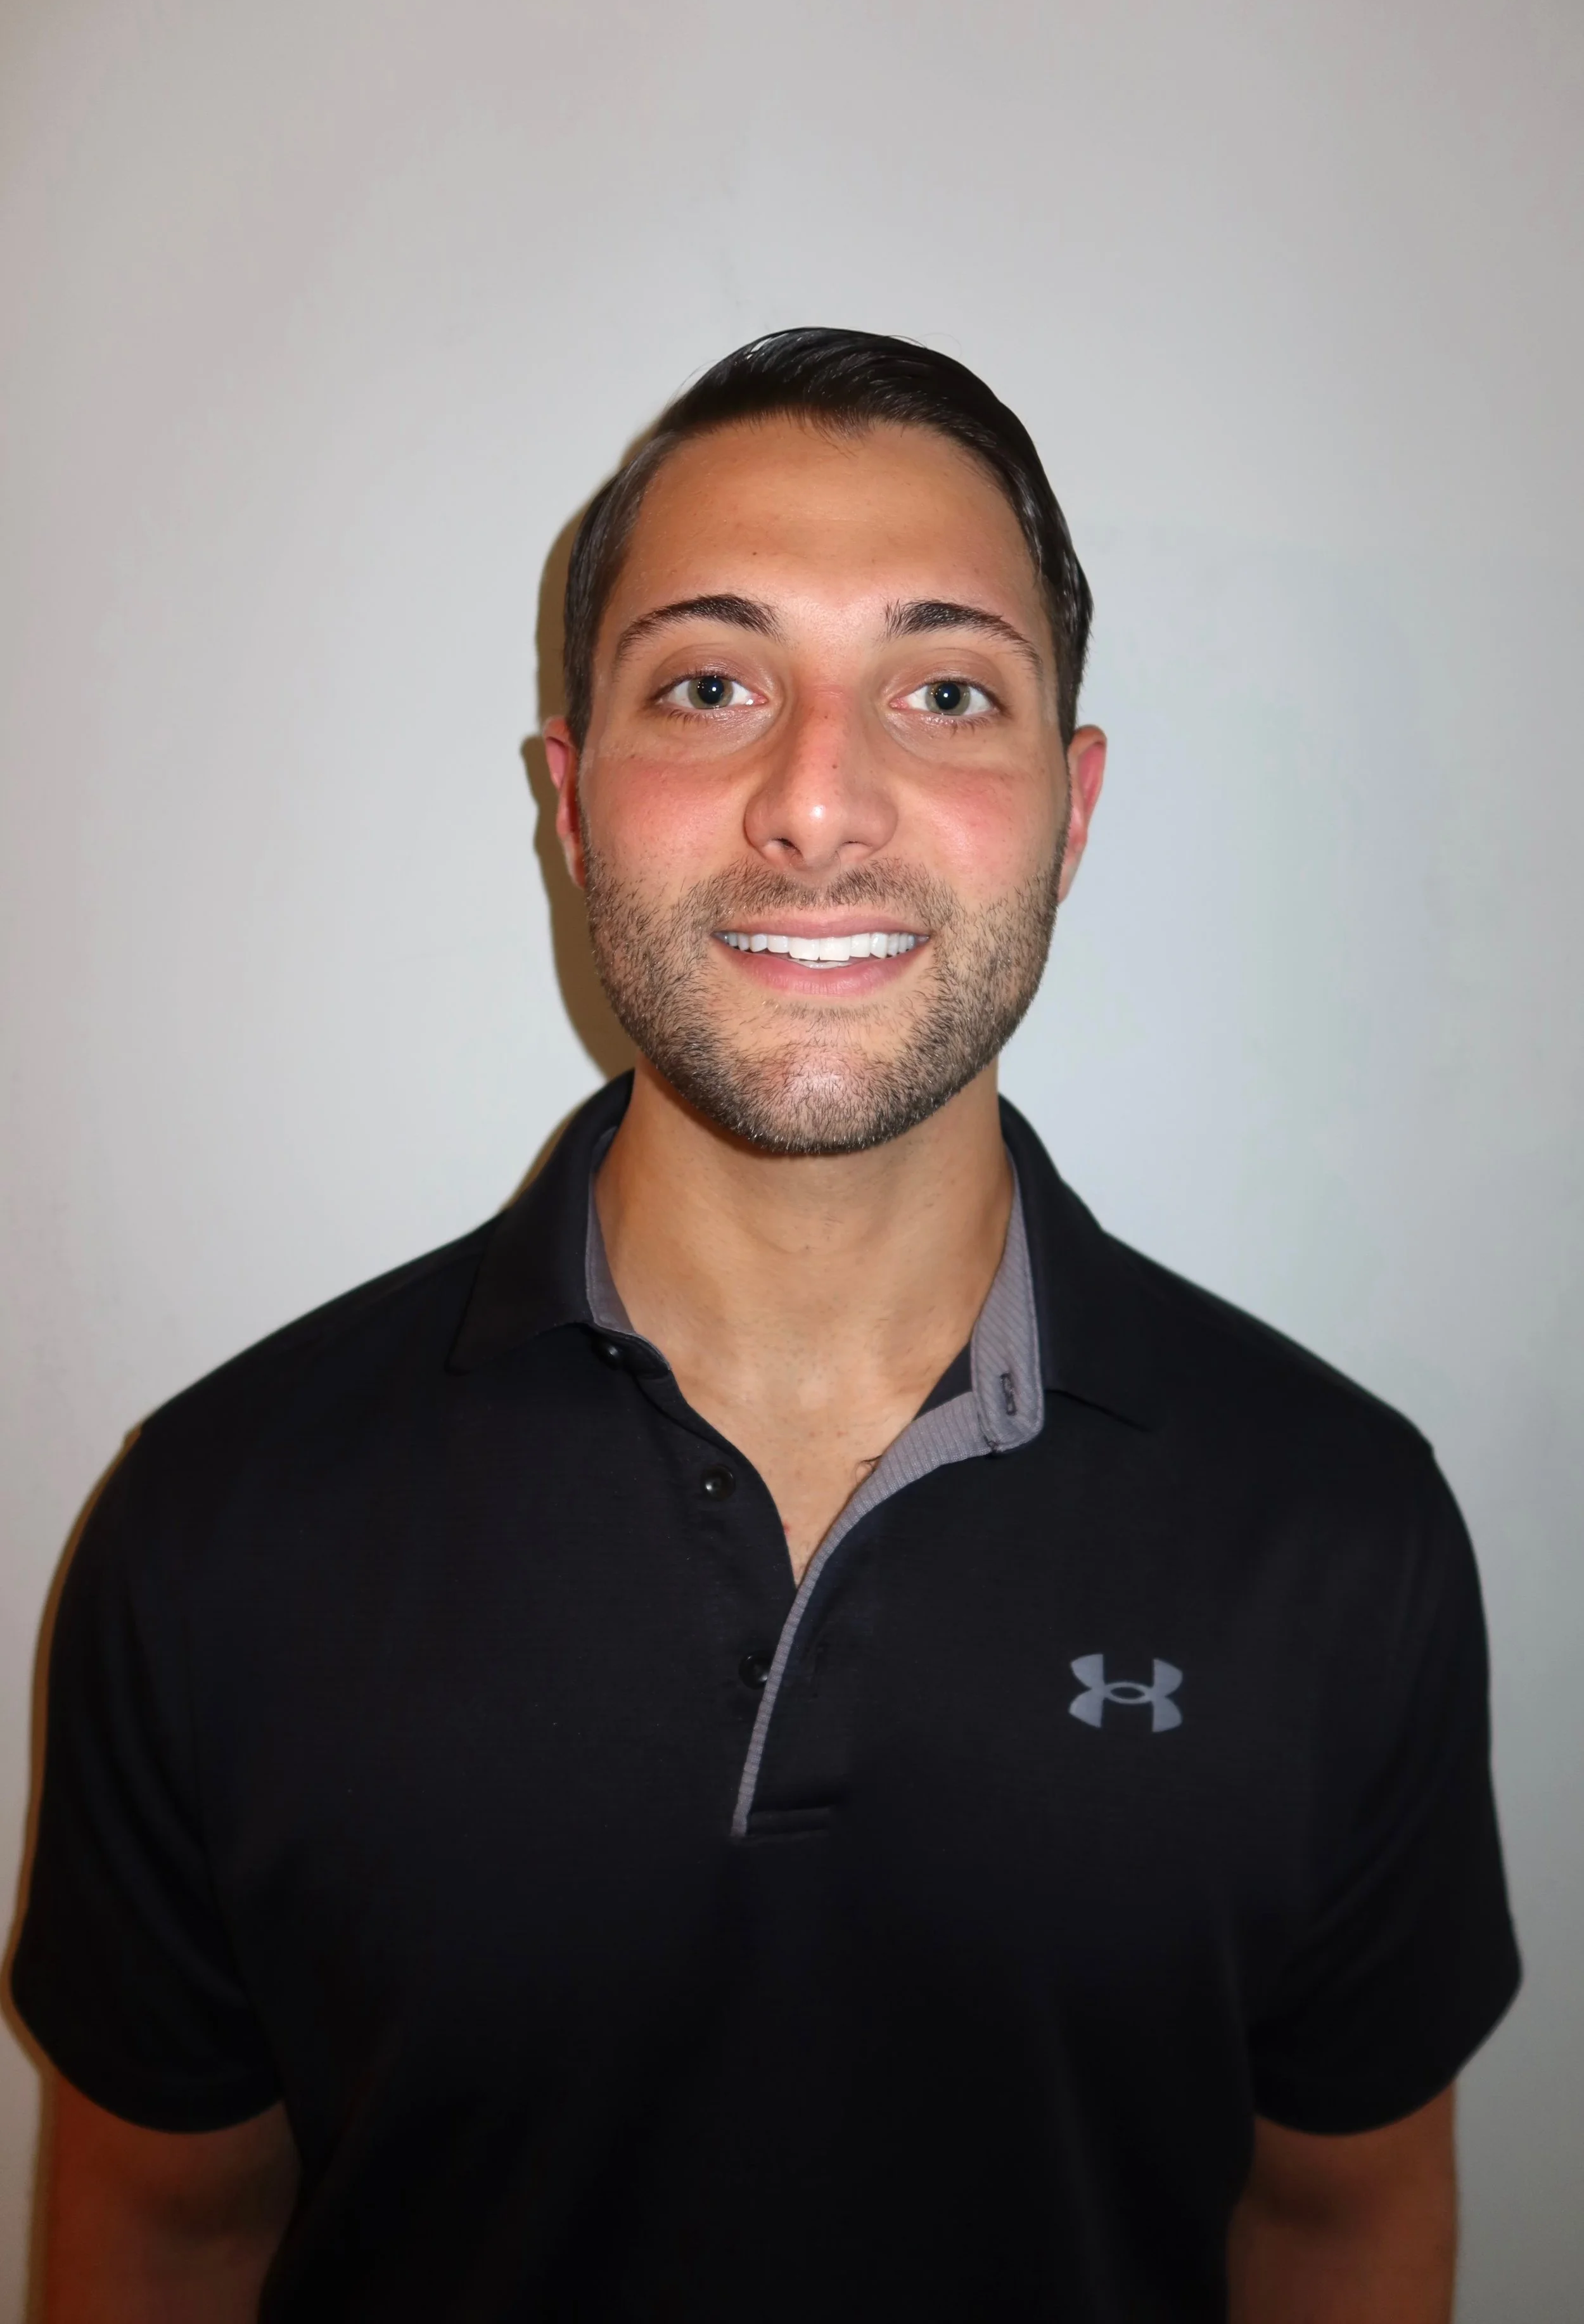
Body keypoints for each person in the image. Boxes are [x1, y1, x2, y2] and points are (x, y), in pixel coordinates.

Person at [11, 329, 1519, 2323]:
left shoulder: (1341, 1531)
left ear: (1071, 807)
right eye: (710, 686)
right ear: (569, 797)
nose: (817, 804)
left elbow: (1336, 2229)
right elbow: (171, 2231)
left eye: (944, 689)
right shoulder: (213, 1526)